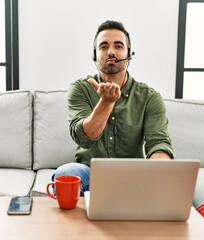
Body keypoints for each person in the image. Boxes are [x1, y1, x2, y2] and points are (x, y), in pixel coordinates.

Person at [53, 20, 175, 195]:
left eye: (118, 46)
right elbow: (83, 138)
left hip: (134, 176)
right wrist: (106, 102)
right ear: (94, 55)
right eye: (103, 47)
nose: (111, 52)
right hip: (89, 173)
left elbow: (159, 143)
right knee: (66, 173)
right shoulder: (80, 88)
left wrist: (158, 172)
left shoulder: (149, 97)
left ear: (129, 54)